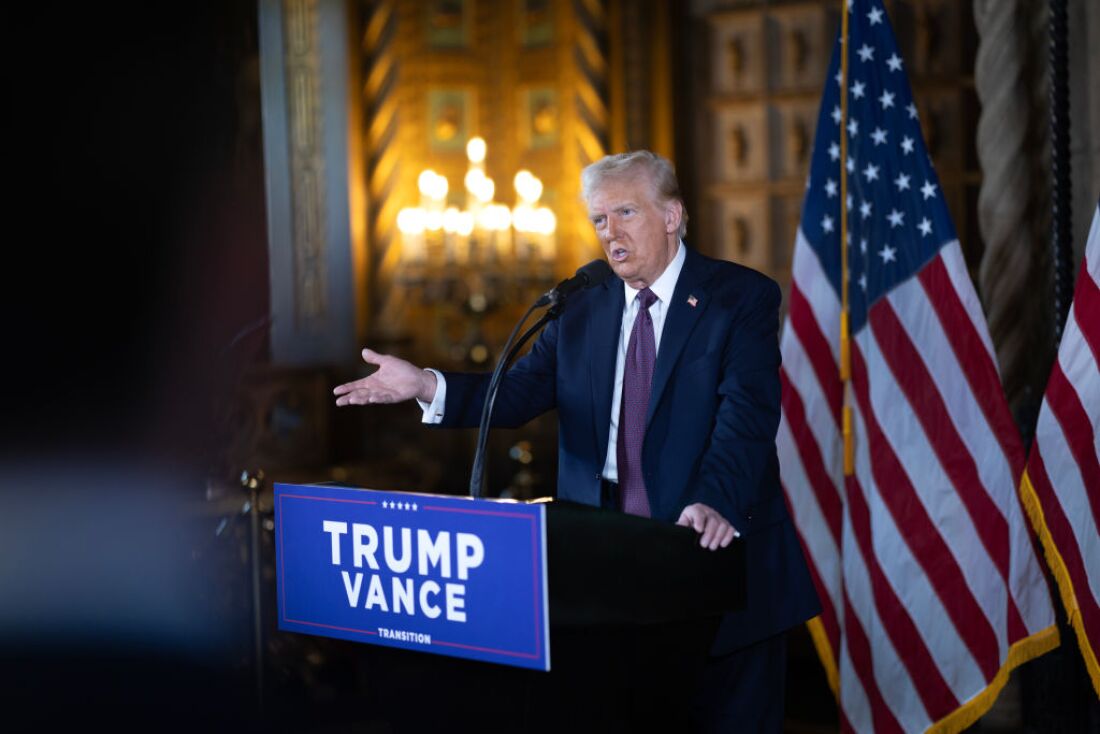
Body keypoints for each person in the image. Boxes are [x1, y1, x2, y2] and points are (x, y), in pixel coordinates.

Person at [334, 150, 820, 732]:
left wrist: (715, 499)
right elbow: (517, 393)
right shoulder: (581, 302)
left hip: (714, 559)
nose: (610, 233)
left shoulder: (739, 297)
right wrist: (424, 384)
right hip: (606, 569)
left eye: (626, 213)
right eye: (598, 219)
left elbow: (747, 417)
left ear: (672, 216)